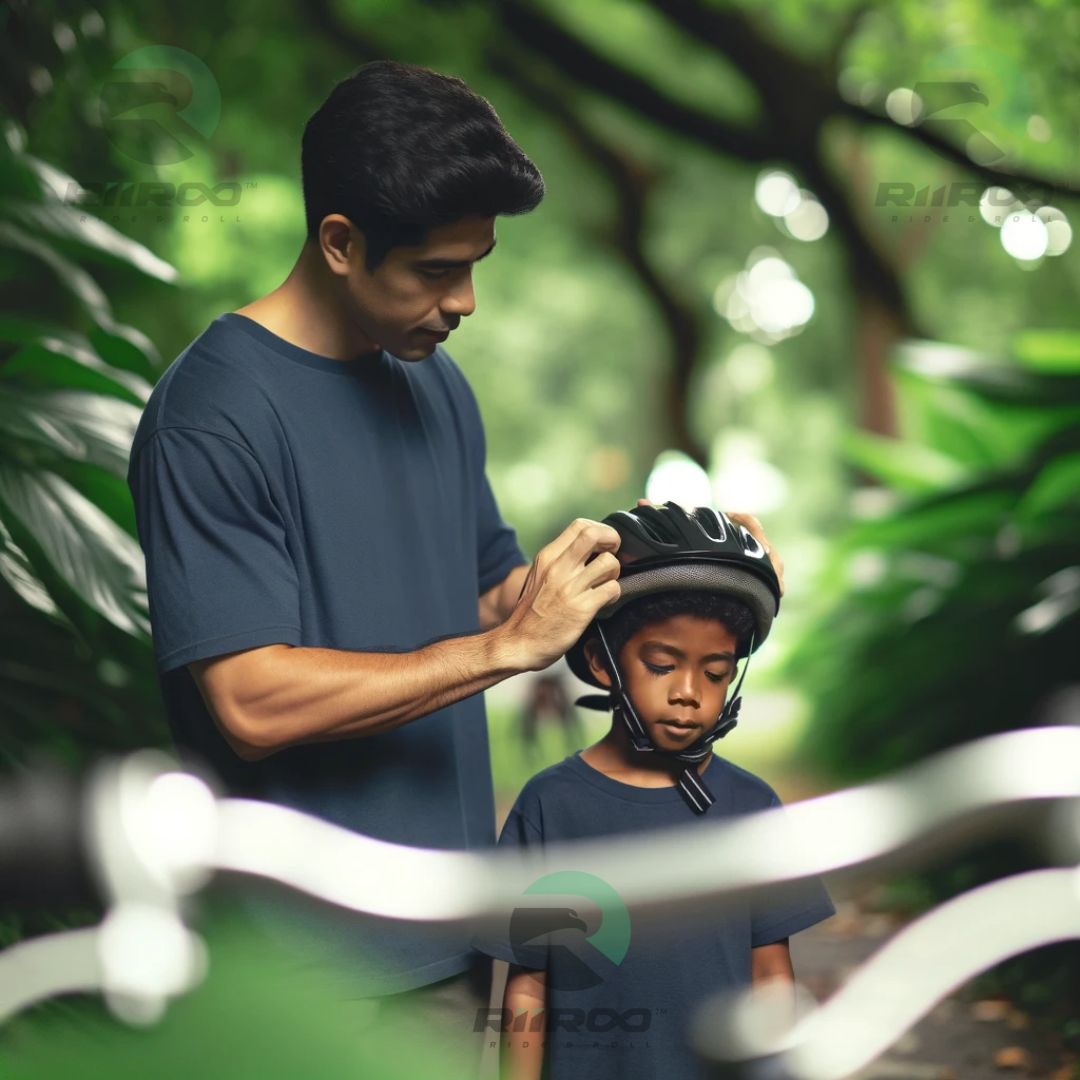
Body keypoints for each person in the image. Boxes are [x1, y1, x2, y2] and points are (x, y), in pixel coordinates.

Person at [125, 59, 783, 1074]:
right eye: (436, 271)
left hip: (449, 935)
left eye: (476, 265)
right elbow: (247, 702)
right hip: (296, 965)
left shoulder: (434, 385)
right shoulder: (216, 414)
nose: (464, 300)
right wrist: (501, 647)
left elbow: (488, 597)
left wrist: (665, 557)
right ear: (340, 243)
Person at [474, 502, 832, 1080]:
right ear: (601, 661)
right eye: (663, 664)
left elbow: (771, 979)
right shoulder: (550, 805)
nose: (689, 691)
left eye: (715, 672)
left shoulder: (753, 810)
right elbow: (527, 989)